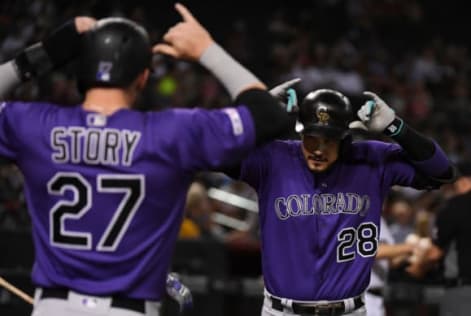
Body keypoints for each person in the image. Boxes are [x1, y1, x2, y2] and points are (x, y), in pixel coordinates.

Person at [0, 3, 294, 316]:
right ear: (142, 77)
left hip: (53, 307)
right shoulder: (172, 133)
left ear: (81, 68)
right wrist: (207, 49)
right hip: (129, 309)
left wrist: (46, 51)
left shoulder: (33, 126)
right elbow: (269, 115)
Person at [223, 88, 455, 315]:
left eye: (329, 140)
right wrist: (252, 116)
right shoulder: (275, 158)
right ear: (300, 132)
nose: (319, 149)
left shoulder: (371, 159)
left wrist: (396, 127)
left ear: (345, 139)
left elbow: (441, 172)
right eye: (312, 138)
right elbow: (215, 153)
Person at [408, 162, 471, 316]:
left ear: (463, 181)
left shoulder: (456, 206)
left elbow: (435, 252)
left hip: (466, 293)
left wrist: (415, 270)